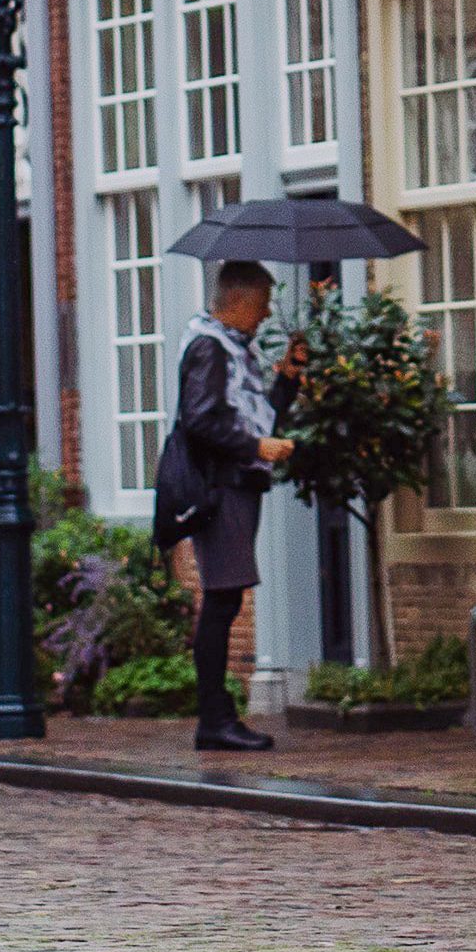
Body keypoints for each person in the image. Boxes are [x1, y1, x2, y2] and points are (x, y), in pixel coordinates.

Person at [162, 261, 300, 752]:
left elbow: (253, 412)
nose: (265, 315)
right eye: (262, 305)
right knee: (221, 602)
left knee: (226, 599)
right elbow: (199, 419)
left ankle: (216, 718)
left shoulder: (232, 348)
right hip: (221, 488)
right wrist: (254, 449)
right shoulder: (208, 346)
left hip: (235, 484)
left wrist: (286, 379)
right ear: (240, 302)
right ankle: (214, 720)